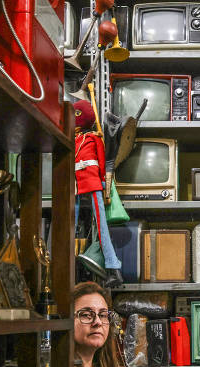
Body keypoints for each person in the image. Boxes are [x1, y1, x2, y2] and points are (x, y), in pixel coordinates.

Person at [74, 100, 123, 287]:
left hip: (93, 184)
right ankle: (70, 268)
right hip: (76, 186)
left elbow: (103, 163)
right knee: (70, 225)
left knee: (102, 228)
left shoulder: (93, 138)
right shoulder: (77, 140)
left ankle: (113, 267)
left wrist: (104, 184)